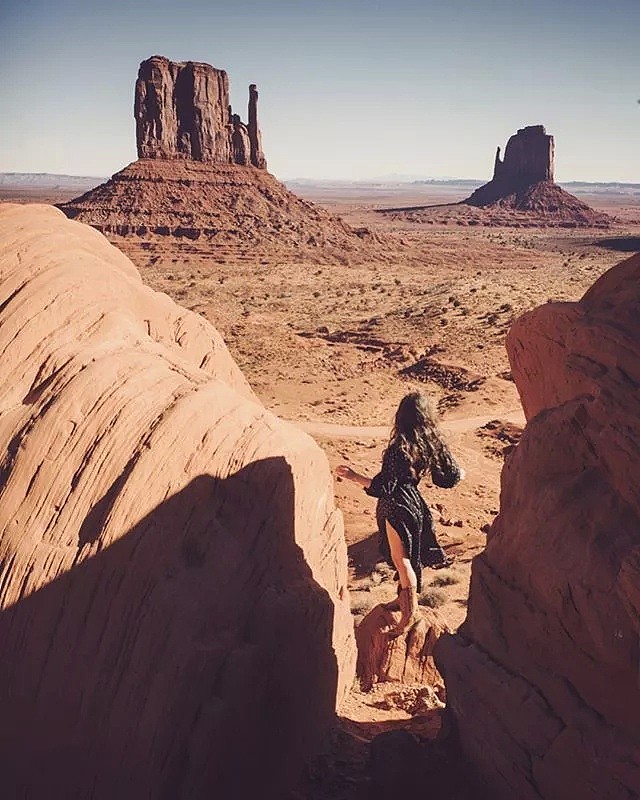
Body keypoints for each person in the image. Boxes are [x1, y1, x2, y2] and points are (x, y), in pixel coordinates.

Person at [336, 392, 464, 635]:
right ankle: (402, 599)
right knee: (409, 556)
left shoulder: (399, 448)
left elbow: (384, 486)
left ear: (401, 417)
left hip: (395, 505)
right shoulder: (428, 444)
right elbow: (449, 477)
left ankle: (408, 613)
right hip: (416, 504)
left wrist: (353, 476)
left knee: (401, 559)